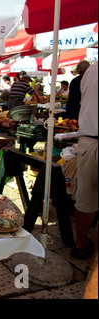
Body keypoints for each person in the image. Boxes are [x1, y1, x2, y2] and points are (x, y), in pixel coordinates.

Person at [71, 61, 97, 260]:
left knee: (85, 197)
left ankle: (81, 243)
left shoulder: (92, 71)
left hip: (88, 140)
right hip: (88, 138)